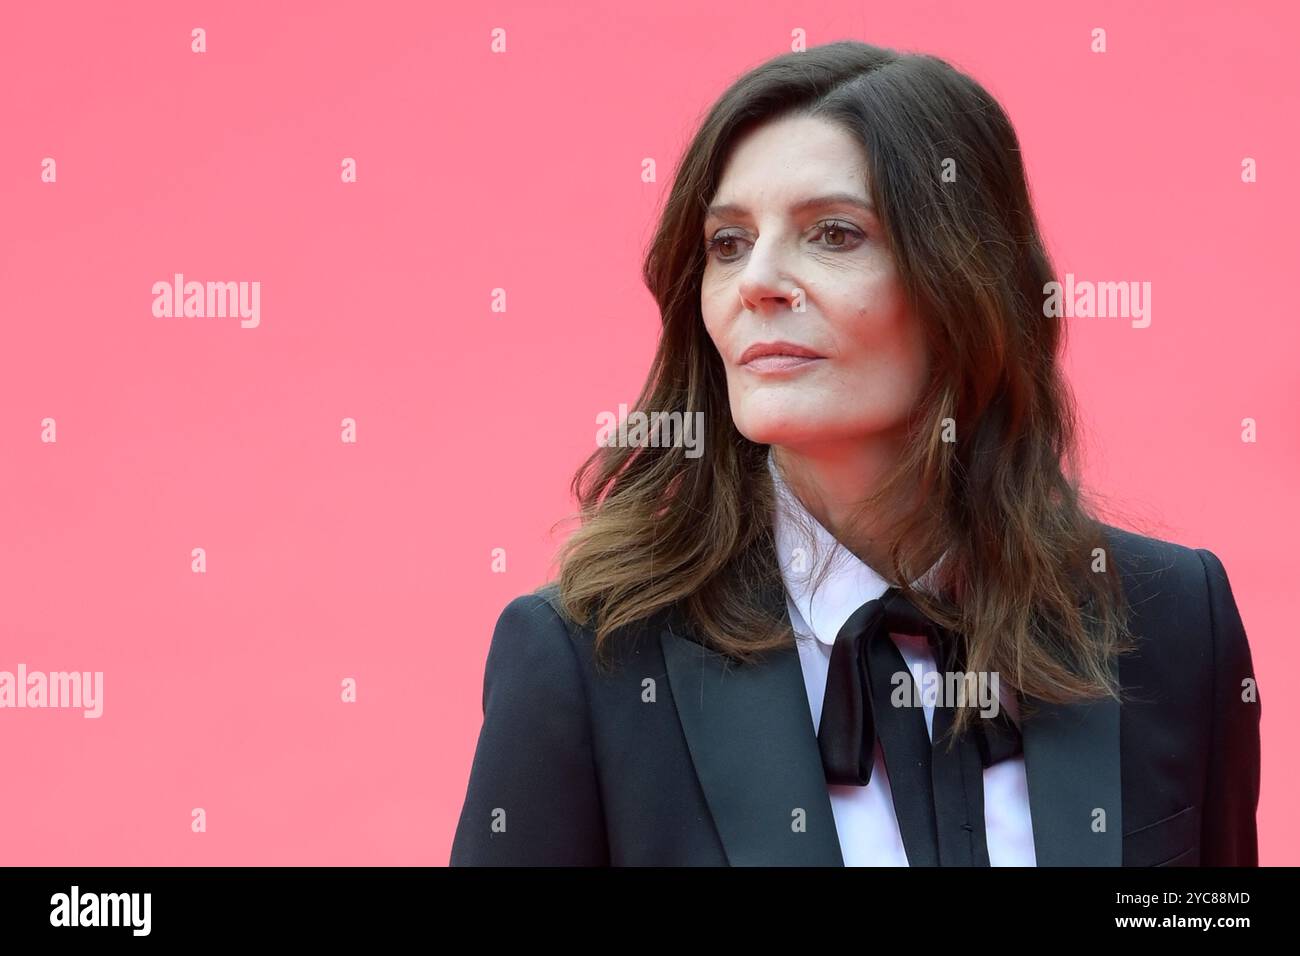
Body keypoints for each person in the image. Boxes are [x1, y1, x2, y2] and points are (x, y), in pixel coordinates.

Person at [449, 39, 1261, 866]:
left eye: (833, 234)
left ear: (965, 284)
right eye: (727, 243)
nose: (756, 282)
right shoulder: (591, 663)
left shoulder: (1171, 620)